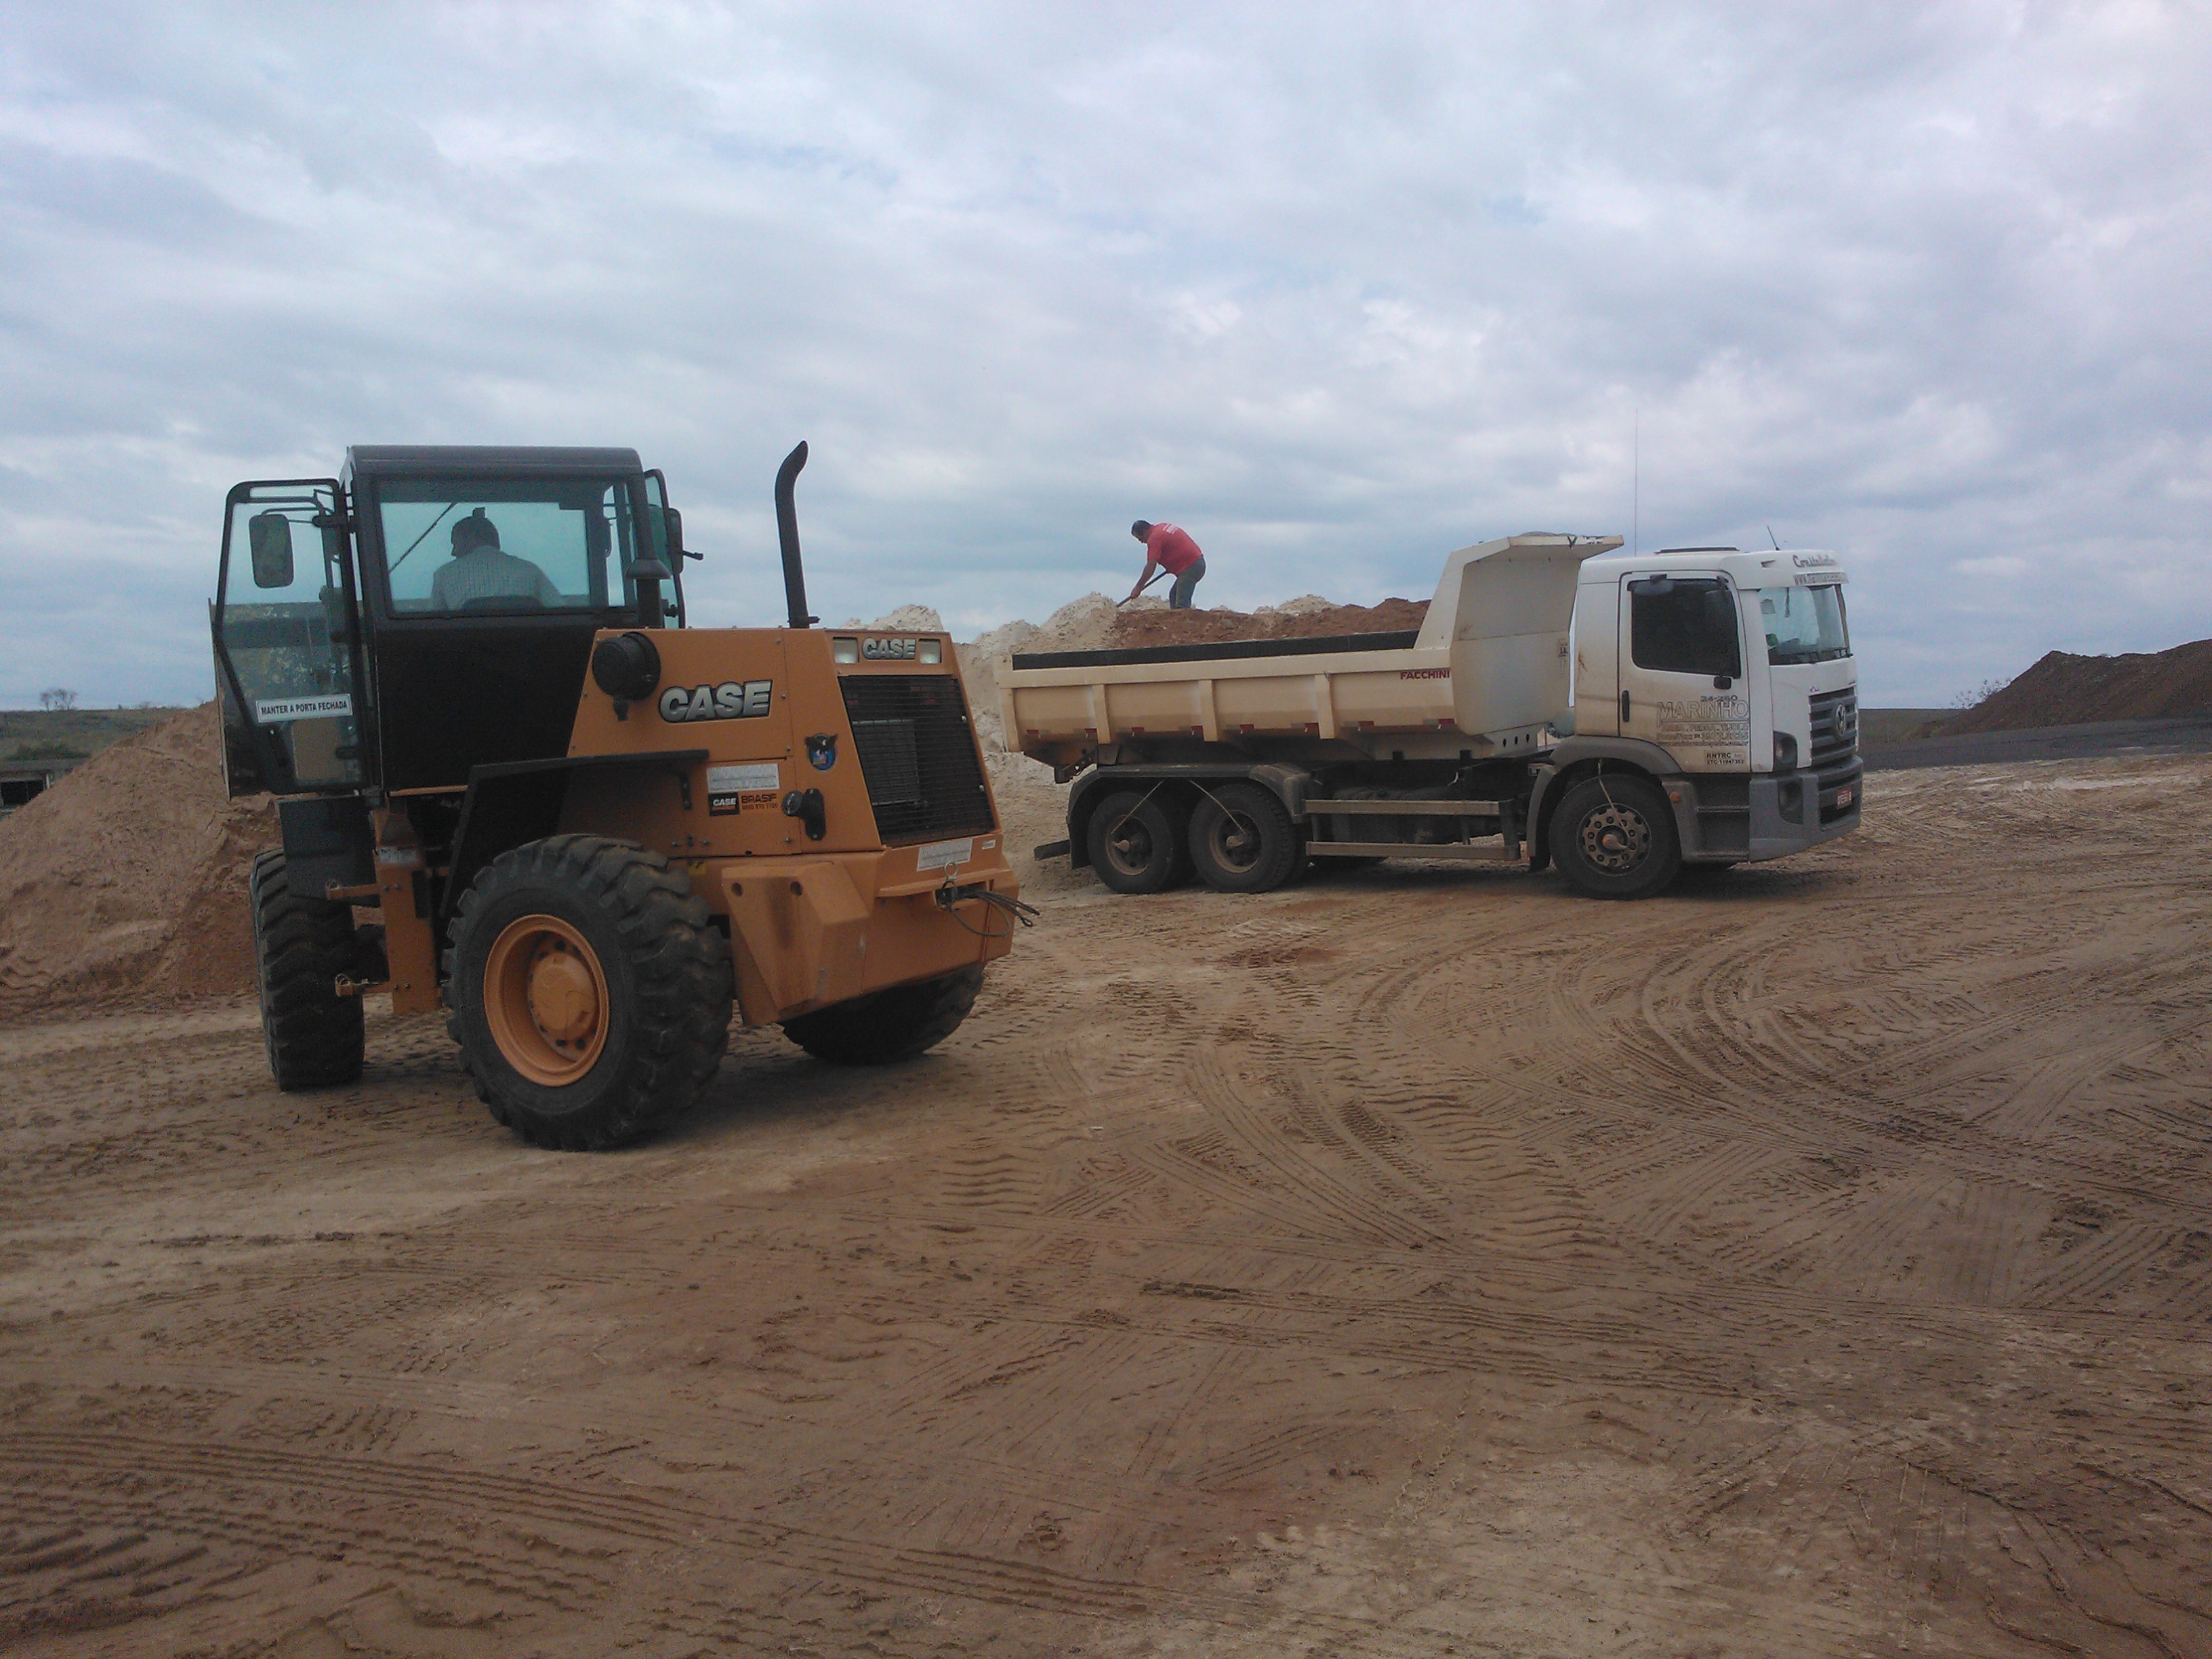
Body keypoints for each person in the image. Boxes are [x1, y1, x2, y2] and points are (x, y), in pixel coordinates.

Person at [429, 508, 563, 611]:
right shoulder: (530, 570)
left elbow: (434, 624)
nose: (453, 552)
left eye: (455, 544)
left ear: (470, 540)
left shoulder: (444, 574)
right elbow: (560, 611)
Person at [1128, 520, 1206, 610]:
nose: (1141, 542)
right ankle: (1177, 621)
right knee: (1174, 596)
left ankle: (1185, 622)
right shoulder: (1162, 527)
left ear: (1145, 532)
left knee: (1182, 605)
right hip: (1196, 562)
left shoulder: (1154, 538)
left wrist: (1138, 587)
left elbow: (1151, 566)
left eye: (1140, 539)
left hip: (1190, 566)